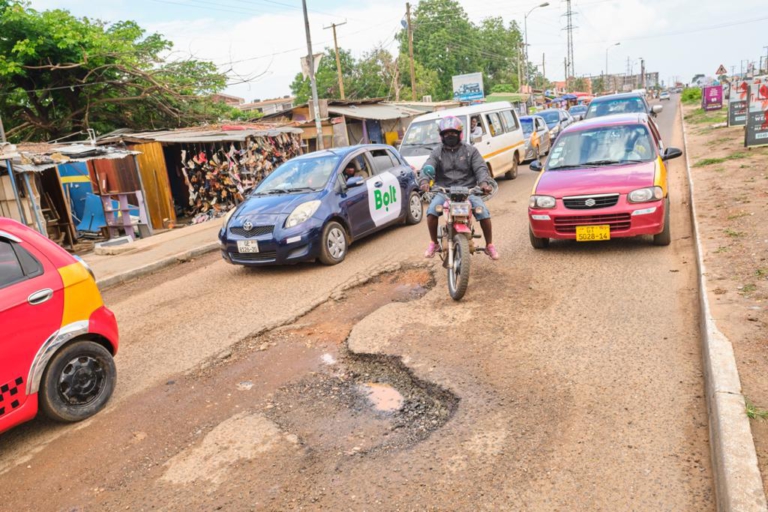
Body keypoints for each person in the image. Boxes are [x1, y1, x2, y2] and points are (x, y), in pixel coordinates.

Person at [419, 116, 499, 260]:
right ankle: (434, 243)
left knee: (484, 214)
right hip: (445, 191)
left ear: (460, 134)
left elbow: (481, 168)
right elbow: (428, 166)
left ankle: (489, 245)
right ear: (442, 135)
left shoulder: (471, 151)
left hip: (468, 191)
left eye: (453, 133)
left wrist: (483, 184)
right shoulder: (437, 152)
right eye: (446, 133)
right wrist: (425, 180)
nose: (450, 136)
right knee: (431, 212)